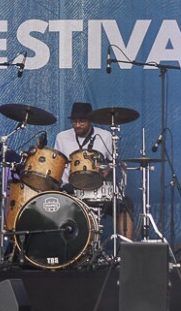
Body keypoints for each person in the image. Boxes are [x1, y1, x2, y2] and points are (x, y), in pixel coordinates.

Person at [54, 102, 134, 239]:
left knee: (125, 205)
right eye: (74, 121)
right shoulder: (62, 137)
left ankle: (127, 250)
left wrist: (107, 168)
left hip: (98, 188)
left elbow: (113, 163)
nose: (77, 125)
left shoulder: (106, 136)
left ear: (90, 120)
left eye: (82, 121)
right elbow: (57, 164)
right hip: (71, 189)